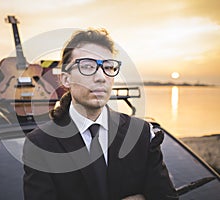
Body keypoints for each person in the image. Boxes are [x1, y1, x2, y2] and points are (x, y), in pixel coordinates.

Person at [22, 28, 178, 200]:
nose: (101, 77)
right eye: (87, 66)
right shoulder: (41, 144)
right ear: (66, 79)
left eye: (108, 67)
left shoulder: (140, 133)